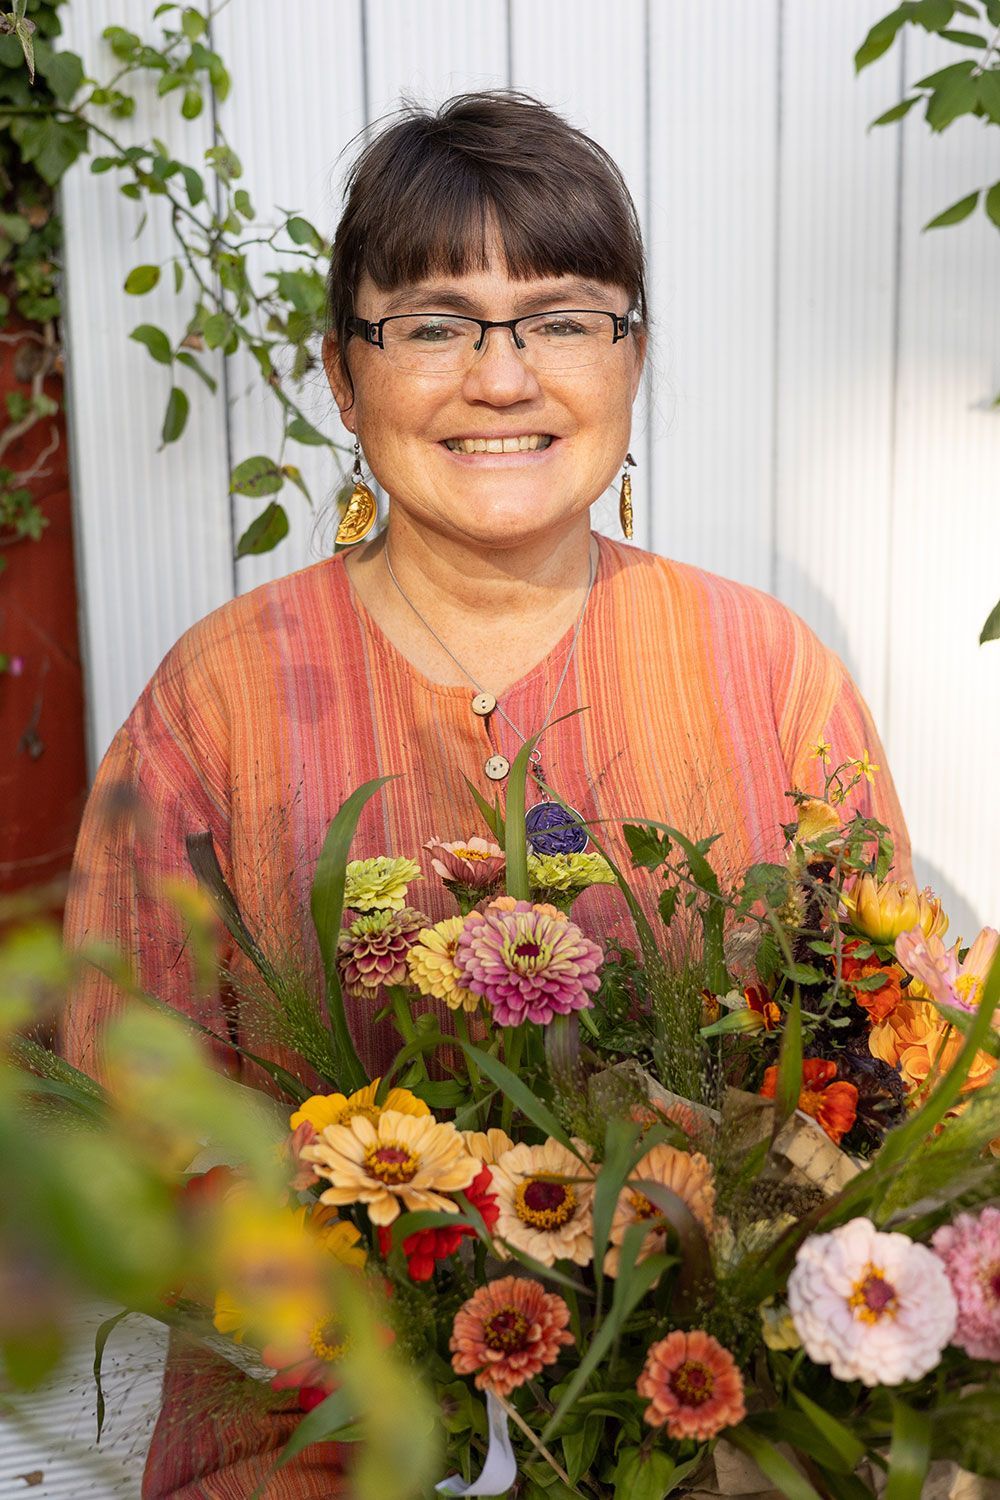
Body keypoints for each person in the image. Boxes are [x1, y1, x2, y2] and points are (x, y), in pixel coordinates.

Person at [60, 90, 912, 1499]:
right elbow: (117, 1121)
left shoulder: (767, 672)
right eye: (437, 323)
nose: (503, 380)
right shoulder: (217, 701)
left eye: (565, 317)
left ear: (631, 360)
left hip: (728, 1421)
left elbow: (887, 1060)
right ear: (343, 374)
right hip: (324, 1428)